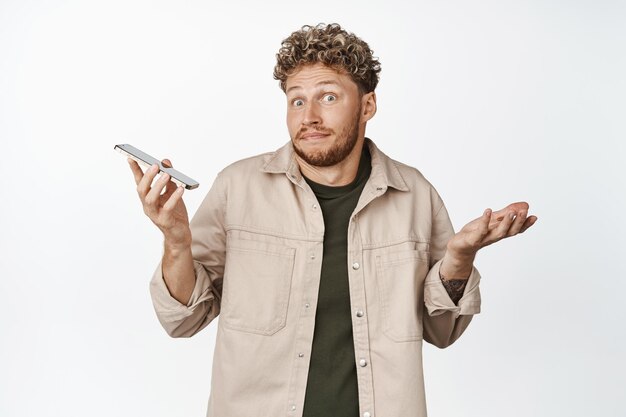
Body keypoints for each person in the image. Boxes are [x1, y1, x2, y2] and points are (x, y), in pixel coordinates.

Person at [128, 23, 536, 417]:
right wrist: (176, 241)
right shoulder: (237, 188)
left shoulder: (415, 195)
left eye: (328, 97)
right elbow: (183, 320)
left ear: (368, 106)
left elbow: (443, 330)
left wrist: (460, 256)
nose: (308, 117)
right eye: (297, 100)